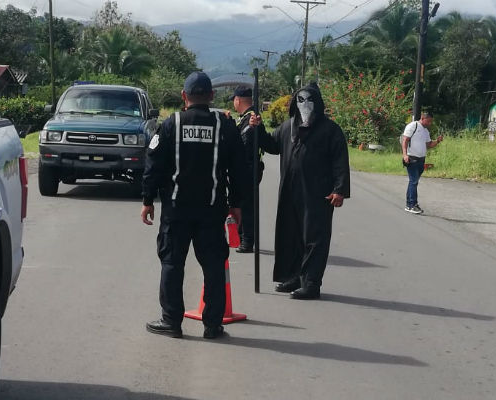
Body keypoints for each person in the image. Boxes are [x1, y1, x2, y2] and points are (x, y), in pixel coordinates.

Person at [141, 71, 247, 339]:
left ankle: (171, 322)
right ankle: (213, 325)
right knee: (213, 265)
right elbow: (239, 169)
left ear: (184, 96)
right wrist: (236, 204)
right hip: (212, 210)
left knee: (172, 264)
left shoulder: (171, 124)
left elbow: (153, 165)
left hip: (176, 211)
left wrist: (147, 200)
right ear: (212, 96)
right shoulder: (225, 126)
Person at [251, 82, 350, 300]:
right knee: (290, 235)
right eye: (301, 100)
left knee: (314, 238)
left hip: (317, 194)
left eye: (310, 100)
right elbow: (271, 145)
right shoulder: (288, 127)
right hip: (289, 191)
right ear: (295, 103)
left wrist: (339, 189)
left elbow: (340, 162)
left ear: (318, 103)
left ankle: (311, 283)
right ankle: (293, 277)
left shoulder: (330, 130)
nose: (305, 104)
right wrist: (257, 127)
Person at [228, 86, 266, 253]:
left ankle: (247, 240)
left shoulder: (251, 118)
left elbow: (242, 142)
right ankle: (243, 236)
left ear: (237, 99)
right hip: (244, 169)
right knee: (241, 204)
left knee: (247, 207)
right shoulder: (245, 117)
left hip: (248, 169)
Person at [401, 111, 443, 214]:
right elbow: (405, 140)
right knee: (414, 181)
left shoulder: (425, 132)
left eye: (431, 122)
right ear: (423, 118)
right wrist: (405, 155)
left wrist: (437, 141)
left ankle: (409, 204)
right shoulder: (413, 126)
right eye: (428, 121)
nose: (429, 124)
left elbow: (429, 145)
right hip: (412, 158)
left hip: (421, 160)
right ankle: (412, 205)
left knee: (413, 182)